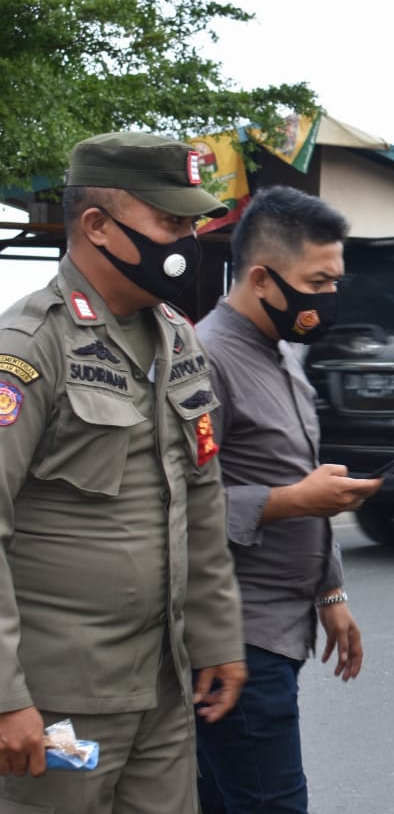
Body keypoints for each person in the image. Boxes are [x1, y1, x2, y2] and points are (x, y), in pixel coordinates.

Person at [0, 132, 246, 812]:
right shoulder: (30, 346)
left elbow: (201, 499)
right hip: (58, 699)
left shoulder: (176, 336)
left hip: (163, 689)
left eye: (192, 224)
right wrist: (5, 698)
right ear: (97, 226)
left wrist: (218, 637)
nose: (187, 240)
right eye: (170, 223)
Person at [193, 185, 380, 812]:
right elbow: (180, 507)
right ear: (262, 279)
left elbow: (293, 479)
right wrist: (296, 500)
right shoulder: (207, 359)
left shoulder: (283, 353)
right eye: (318, 282)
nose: (329, 298)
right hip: (235, 636)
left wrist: (330, 593)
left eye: (335, 282)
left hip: (280, 626)